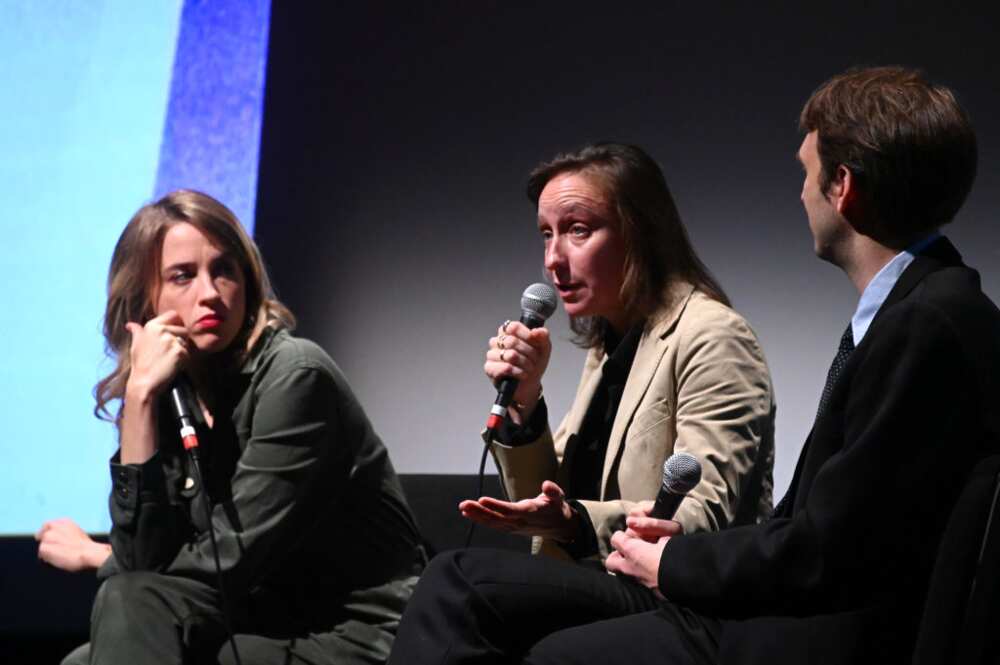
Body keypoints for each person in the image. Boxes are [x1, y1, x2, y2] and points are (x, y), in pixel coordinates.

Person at [546, 67, 999, 664]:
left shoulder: (923, 324)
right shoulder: (927, 309)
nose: (801, 194)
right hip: (819, 618)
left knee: (552, 653)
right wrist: (682, 549)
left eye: (807, 174)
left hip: (828, 637)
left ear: (843, 186)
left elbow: (830, 550)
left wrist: (676, 565)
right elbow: (830, 527)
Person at [386, 143, 776, 664]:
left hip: (683, 597)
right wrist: (525, 404)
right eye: (546, 234)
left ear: (640, 232)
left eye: (577, 230)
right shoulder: (609, 344)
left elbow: (698, 518)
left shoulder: (714, 336)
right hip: (606, 579)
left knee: (458, 578)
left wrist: (574, 520)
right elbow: (544, 502)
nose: (553, 259)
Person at [36, 190, 424, 665]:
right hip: (260, 619)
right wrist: (139, 399)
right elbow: (144, 568)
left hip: (357, 635)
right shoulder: (169, 393)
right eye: (183, 276)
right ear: (144, 301)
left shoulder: (295, 376)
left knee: (131, 609)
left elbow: (230, 560)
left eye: (224, 270)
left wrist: (100, 558)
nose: (210, 293)